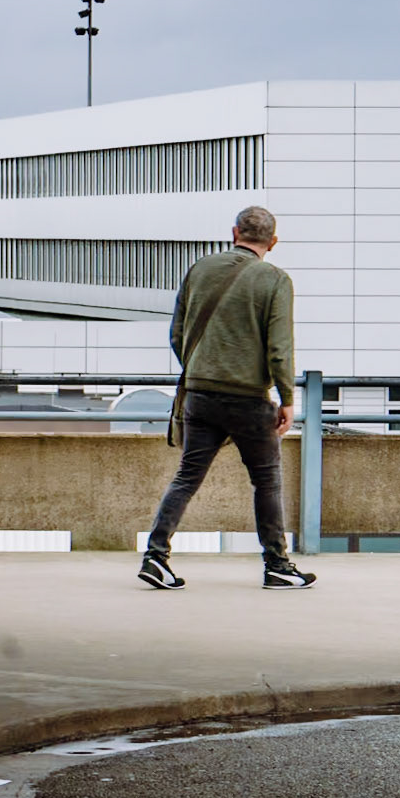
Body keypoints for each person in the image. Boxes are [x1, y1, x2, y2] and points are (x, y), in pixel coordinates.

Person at [139, 205, 316, 592]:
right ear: (272, 241)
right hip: (248, 399)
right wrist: (287, 397)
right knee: (266, 480)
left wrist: (202, 370)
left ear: (234, 232)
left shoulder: (199, 269)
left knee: (187, 477)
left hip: (200, 395)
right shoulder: (275, 280)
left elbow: (177, 332)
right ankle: (277, 565)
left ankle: (155, 556)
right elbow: (280, 348)